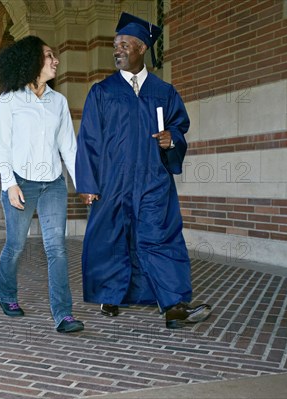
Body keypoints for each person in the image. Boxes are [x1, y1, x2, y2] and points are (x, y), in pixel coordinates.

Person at [75, 13, 212, 329]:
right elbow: (89, 140)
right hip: (112, 181)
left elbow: (180, 126)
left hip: (152, 179)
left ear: (141, 48)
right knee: (113, 238)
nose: (118, 49)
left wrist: (171, 139)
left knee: (160, 238)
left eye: (124, 44)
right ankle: (112, 294)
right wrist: (88, 182)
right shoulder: (102, 91)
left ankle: (174, 306)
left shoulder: (164, 91)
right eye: (115, 44)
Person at [0, 35, 84, 333]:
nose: (55, 60)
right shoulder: (11, 99)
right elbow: (2, 147)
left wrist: (83, 183)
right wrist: (9, 184)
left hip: (53, 185)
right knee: (16, 245)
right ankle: (6, 295)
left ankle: (63, 314)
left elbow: (68, 147)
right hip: (21, 183)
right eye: (48, 56)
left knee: (56, 247)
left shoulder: (59, 101)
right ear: (31, 61)